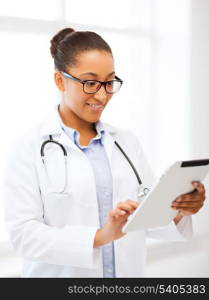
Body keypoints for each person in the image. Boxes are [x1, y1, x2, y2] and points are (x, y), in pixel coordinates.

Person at [3, 28, 205, 278]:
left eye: (109, 82)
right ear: (59, 80)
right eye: (90, 83)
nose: (102, 95)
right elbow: (24, 236)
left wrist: (179, 210)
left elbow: (146, 217)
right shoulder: (28, 149)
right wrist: (99, 237)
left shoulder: (126, 142)